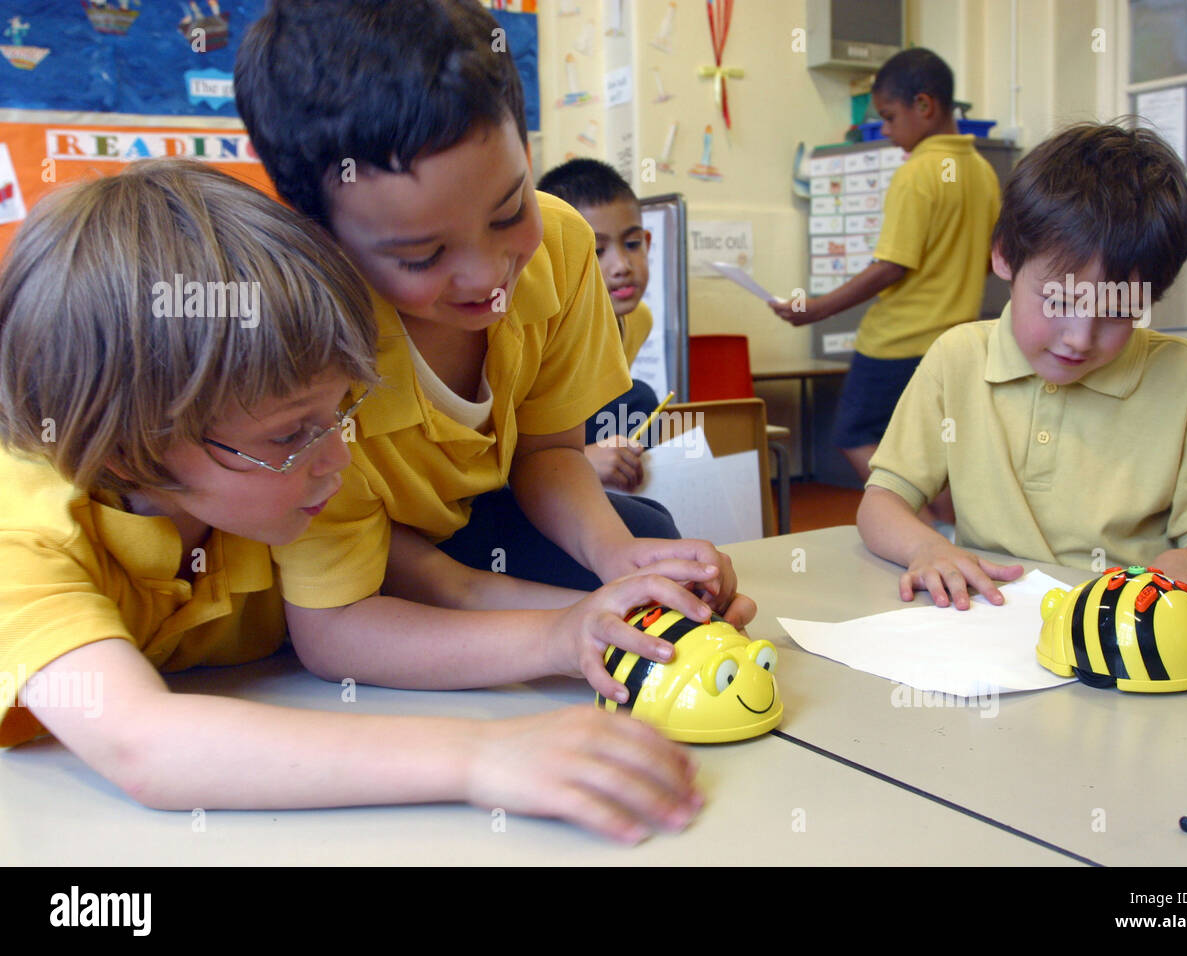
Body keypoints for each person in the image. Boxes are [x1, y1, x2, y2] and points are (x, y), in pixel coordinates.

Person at [0, 160, 701, 842]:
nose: (339, 458)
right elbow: (143, 742)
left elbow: (445, 587)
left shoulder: (258, 490)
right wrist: (483, 755)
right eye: (291, 434)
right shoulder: (20, 533)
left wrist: (624, 617)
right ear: (132, 452)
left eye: (339, 414)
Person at [234, 1, 754, 694]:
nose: (487, 278)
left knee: (640, 529)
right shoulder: (305, 339)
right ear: (322, 236)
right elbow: (334, 629)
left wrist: (618, 559)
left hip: (475, 520)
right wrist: (562, 634)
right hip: (364, 561)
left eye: (510, 211)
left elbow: (548, 453)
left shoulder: (564, 246)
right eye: (420, 255)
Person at [856, 123, 1187, 634]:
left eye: (1116, 312)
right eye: (1061, 301)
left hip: (1124, 631)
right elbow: (882, 503)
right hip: (990, 625)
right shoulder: (958, 357)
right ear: (1004, 255)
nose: (1079, 336)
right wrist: (926, 546)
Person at [771, 47, 1000, 491]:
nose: (888, 131)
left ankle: (918, 522)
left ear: (924, 106)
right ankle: (947, 530)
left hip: (898, 340)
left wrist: (817, 309)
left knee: (854, 434)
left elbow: (891, 265)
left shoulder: (917, 173)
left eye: (890, 117)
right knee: (937, 448)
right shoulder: (983, 172)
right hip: (956, 342)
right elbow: (991, 261)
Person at [537, 157, 659, 492]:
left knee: (640, 402)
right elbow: (508, 446)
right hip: (523, 471)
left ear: (647, 243)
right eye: (597, 250)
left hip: (576, 454)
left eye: (632, 244)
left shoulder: (638, 320)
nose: (622, 266)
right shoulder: (536, 331)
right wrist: (583, 459)